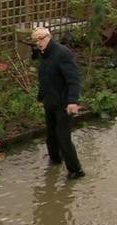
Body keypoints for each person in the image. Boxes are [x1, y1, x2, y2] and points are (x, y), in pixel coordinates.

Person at [31, 27, 85, 179]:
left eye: (41, 39)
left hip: (64, 103)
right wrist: (40, 98)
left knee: (63, 137)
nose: (39, 43)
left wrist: (73, 101)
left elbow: (73, 80)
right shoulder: (44, 54)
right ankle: (55, 159)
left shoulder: (62, 53)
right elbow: (44, 78)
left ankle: (76, 170)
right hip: (50, 102)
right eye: (36, 40)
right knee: (51, 134)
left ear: (49, 37)